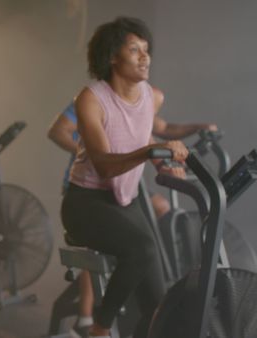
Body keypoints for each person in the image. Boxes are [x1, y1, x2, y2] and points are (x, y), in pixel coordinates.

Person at [60, 17, 190, 338]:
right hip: (85, 203)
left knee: (157, 304)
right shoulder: (91, 99)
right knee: (142, 249)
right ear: (113, 57)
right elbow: (104, 164)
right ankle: (100, 328)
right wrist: (151, 153)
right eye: (134, 49)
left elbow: (139, 136)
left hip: (125, 201)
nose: (145, 57)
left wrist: (163, 163)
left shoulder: (153, 97)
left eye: (146, 50)